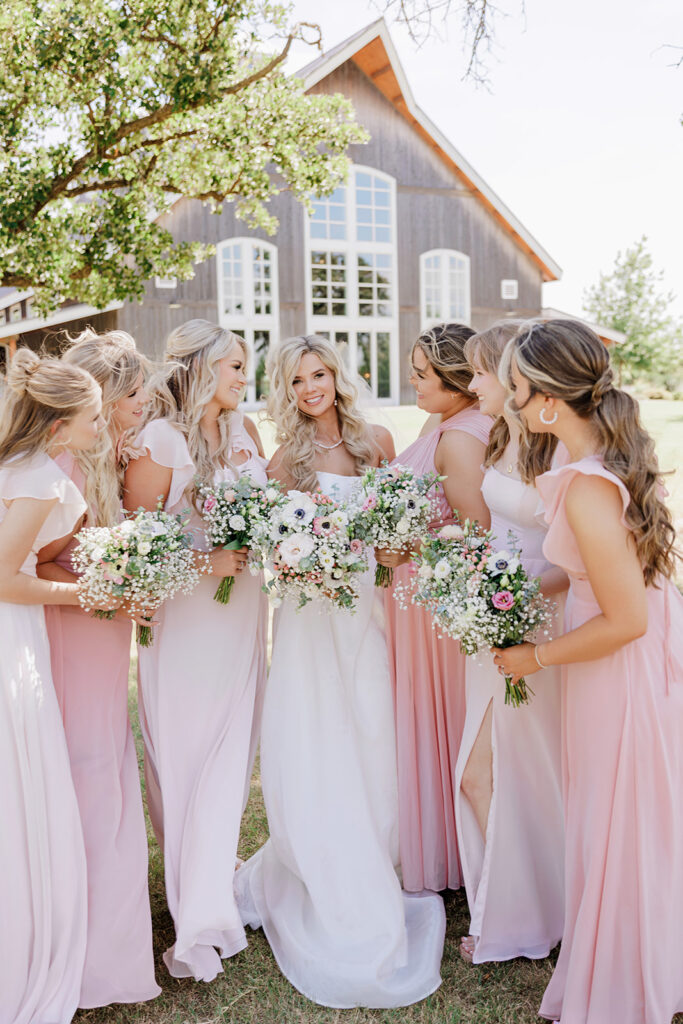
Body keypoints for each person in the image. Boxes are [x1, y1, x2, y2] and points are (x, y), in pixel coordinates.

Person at [234, 335, 446, 1008]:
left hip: (367, 611)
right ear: (286, 391)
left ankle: (377, 850)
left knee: (370, 726)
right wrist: (303, 560)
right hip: (308, 616)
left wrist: (386, 549)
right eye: (296, 381)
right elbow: (273, 549)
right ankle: (324, 854)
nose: (309, 388)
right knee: (317, 729)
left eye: (318, 373)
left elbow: (394, 536)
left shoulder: (375, 441)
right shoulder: (283, 462)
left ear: (335, 376)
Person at [494, 319, 683, 1024]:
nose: (511, 404)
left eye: (515, 390)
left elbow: (624, 618)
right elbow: (592, 574)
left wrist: (531, 657)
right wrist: (514, 591)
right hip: (623, 657)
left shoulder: (584, 484)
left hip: (619, 670)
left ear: (547, 403)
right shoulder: (596, 461)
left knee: (616, 817)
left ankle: (627, 984)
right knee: (620, 816)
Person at [124, 319, 268, 983]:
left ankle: (215, 883)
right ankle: (195, 910)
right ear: (201, 368)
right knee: (184, 757)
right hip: (183, 620)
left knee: (230, 754)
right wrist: (203, 559)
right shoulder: (160, 439)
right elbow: (136, 544)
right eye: (235, 365)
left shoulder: (244, 433)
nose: (244, 376)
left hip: (241, 613)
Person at [37, 330, 160, 1008]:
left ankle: (109, 954)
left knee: (104, 773)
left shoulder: (109, 457)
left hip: (103, 636)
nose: (144, 402)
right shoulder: (69, 467)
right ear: (105, 398)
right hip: (75, 636)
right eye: (135, 392)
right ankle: (84, 963)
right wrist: (110, 588)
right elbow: (45, 559)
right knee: (87, 780)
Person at [0, 350, 109, 1023]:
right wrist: (87, 592)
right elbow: (4, 578)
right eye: (93, 419)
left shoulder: (18, 467)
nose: (99, 430)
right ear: (58, 427)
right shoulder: (37, 478)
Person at [454, 321, 565, 965]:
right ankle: (516, 906)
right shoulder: (497, 438)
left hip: (535, 621)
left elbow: (573, 556)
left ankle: (526, 913)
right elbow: (493, 526)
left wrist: (517, 600)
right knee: (487, 773)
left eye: (481, 373)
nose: (473, 386)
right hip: (489, 620)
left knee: (512, 772)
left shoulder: (553, 450)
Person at [377, 322, 490, 893]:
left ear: (459, 379)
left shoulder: (463, 437)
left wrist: (407, 546)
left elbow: (480, 537)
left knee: (446, 722)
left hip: (438, 611)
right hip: (413, 602)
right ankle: (445, 849)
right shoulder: (439, 422)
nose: (413, 382)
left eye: (423, 374)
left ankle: (462, 860)